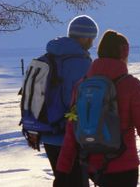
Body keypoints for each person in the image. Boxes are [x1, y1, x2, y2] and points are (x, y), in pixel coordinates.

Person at [54, 30, 140, 187]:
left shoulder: (81, 85)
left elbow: (71, 131)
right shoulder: (131, 85)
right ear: (123, 53)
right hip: (124, 166)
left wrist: (62, 171)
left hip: (91, 165)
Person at [23, 15, 98, 186]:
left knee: (63, 180)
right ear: (84, 37)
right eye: (91, 38)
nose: (92, 43)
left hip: (47, 132)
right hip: (68, 136)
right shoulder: (79, 63)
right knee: (76, 182)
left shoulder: (49, 57)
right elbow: (80, 103)